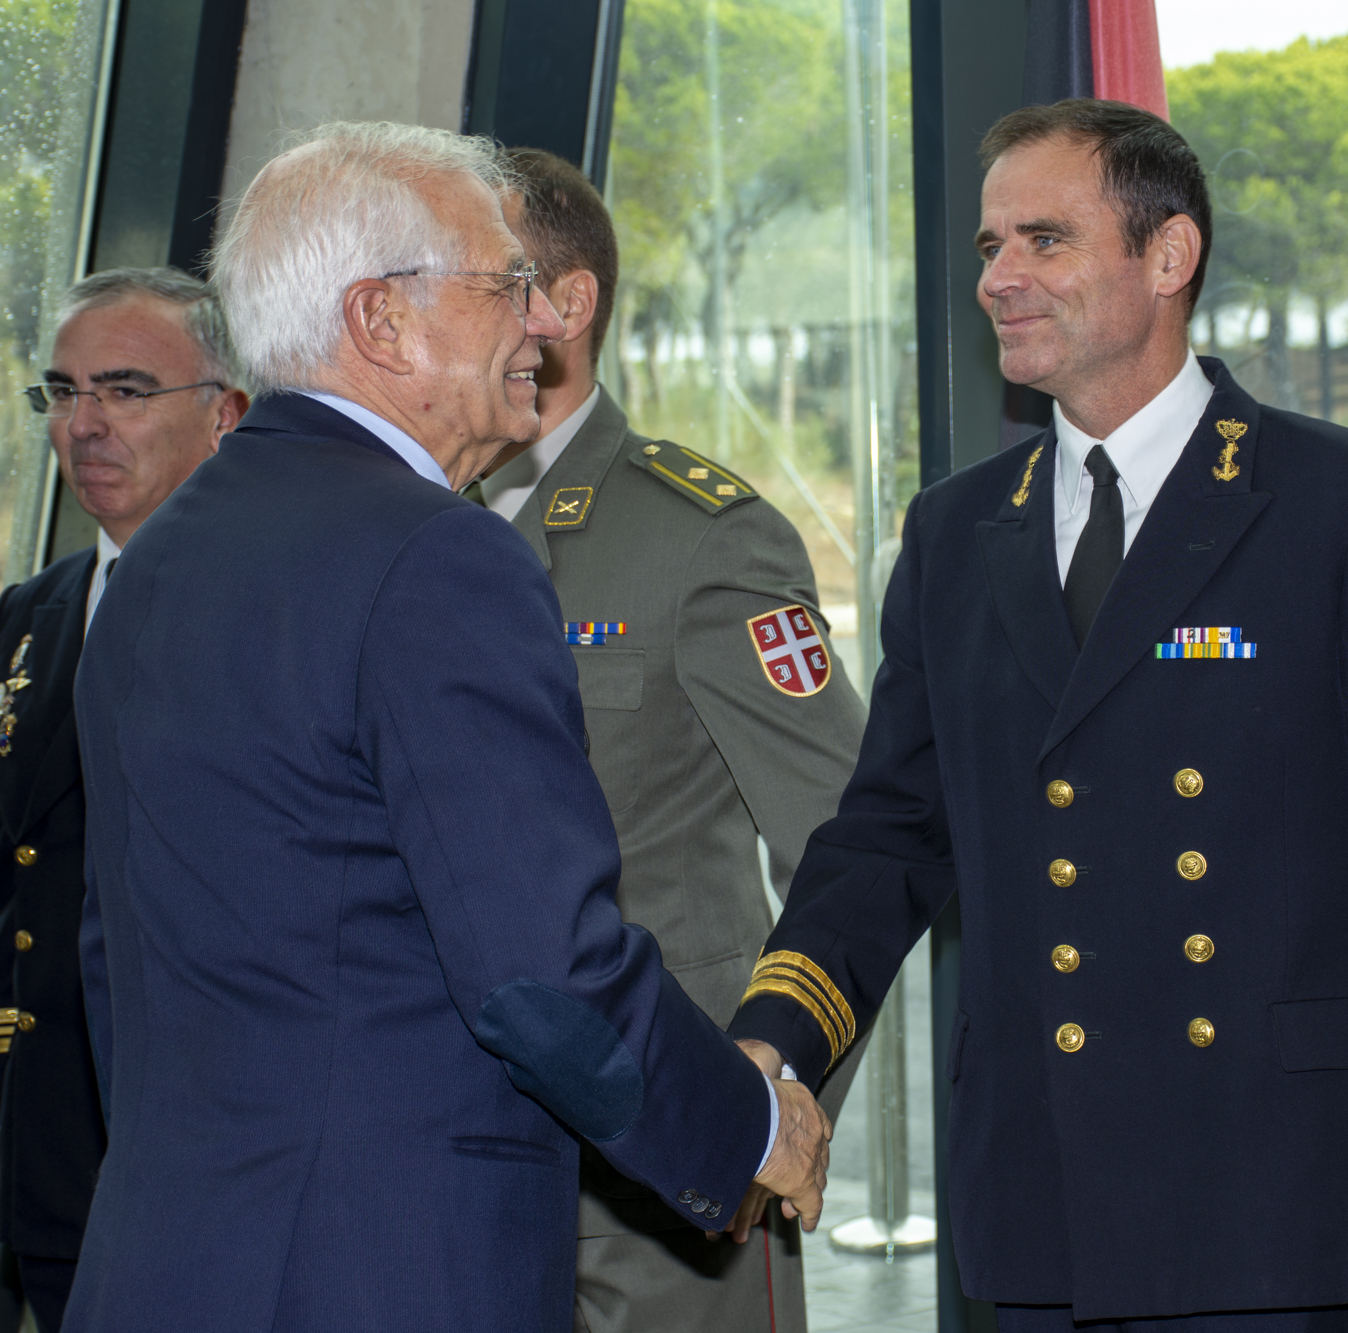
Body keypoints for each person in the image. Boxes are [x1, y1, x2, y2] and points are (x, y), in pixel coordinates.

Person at [727, 99, 1348, 1332]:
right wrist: (772, 1044)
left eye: (1043, 240)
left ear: (1167, 257)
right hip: (1038, 1178)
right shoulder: (953, 529)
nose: (999, 278)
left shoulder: (1339, 503)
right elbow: (886, 834)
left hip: (1272, 1182)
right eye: (989, 248)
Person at [64, 122, 831, 1333]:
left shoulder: (156, 564)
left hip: (174, 1260)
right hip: (385, 1272)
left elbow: (118, 964)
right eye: (506, 285)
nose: (542, 321)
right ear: (383, 322)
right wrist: (744, 1126)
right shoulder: (435, 555)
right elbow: (541, 974)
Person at [476, 147, 868, 1333]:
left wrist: (770, 1103)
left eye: (467, 280)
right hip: (453, 1157)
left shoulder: (696, 536)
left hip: (659, 1167)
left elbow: (843, 839)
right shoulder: (404, 530)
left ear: (560, 305)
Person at [0, 268, 247, 1332]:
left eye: (126, 389)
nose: (84, 423)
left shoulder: (265, 623)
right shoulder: (26, 617)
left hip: (168, 1157)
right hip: (24, 1146)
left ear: (225, 414)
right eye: (61, 391)